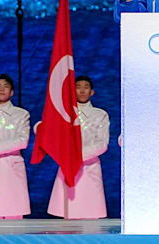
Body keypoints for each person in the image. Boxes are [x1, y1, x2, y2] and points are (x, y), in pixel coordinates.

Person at [47, 76, 109, 219]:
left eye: (85, 87)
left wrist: (76, 155)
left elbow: (102, 143)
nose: (82, 90)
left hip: (89, 168)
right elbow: (50, 131)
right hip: (68, 169)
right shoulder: (64, 113)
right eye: (78, 87)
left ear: (91, 92)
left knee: (91, 216)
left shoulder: (100, 115)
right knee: (68, 217)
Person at [0, 74, 31, 219]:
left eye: (6, 86)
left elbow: (23, 140)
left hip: (12, 167)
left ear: (12, 92)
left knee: (13, 215)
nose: (2, 90)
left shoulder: (21, 114)